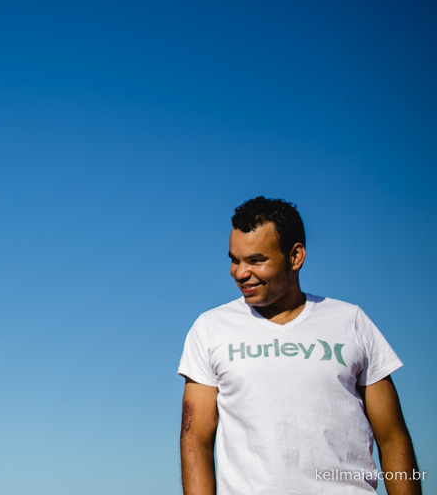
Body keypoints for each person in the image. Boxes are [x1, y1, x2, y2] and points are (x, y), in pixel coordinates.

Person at [178, 197, 422, 495]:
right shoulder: (211, 328)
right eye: (235, 260)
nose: (240, 273)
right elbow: (195, 439)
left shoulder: (352, 322)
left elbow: (393, 437)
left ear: (295, 256)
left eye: (256, 260)